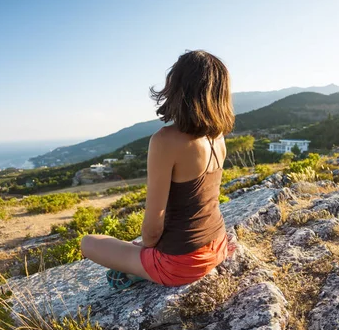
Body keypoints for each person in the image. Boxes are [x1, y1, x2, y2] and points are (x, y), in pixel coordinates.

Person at [81, 50, 234, 288]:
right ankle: (141, 266)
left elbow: (153, 229)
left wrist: (144, 246)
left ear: (178, 88)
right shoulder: (218, 137)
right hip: (217, 244)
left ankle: (142, 271)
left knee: (89, 242)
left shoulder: (165, 140)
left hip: (181, 263)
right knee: (128, 247)